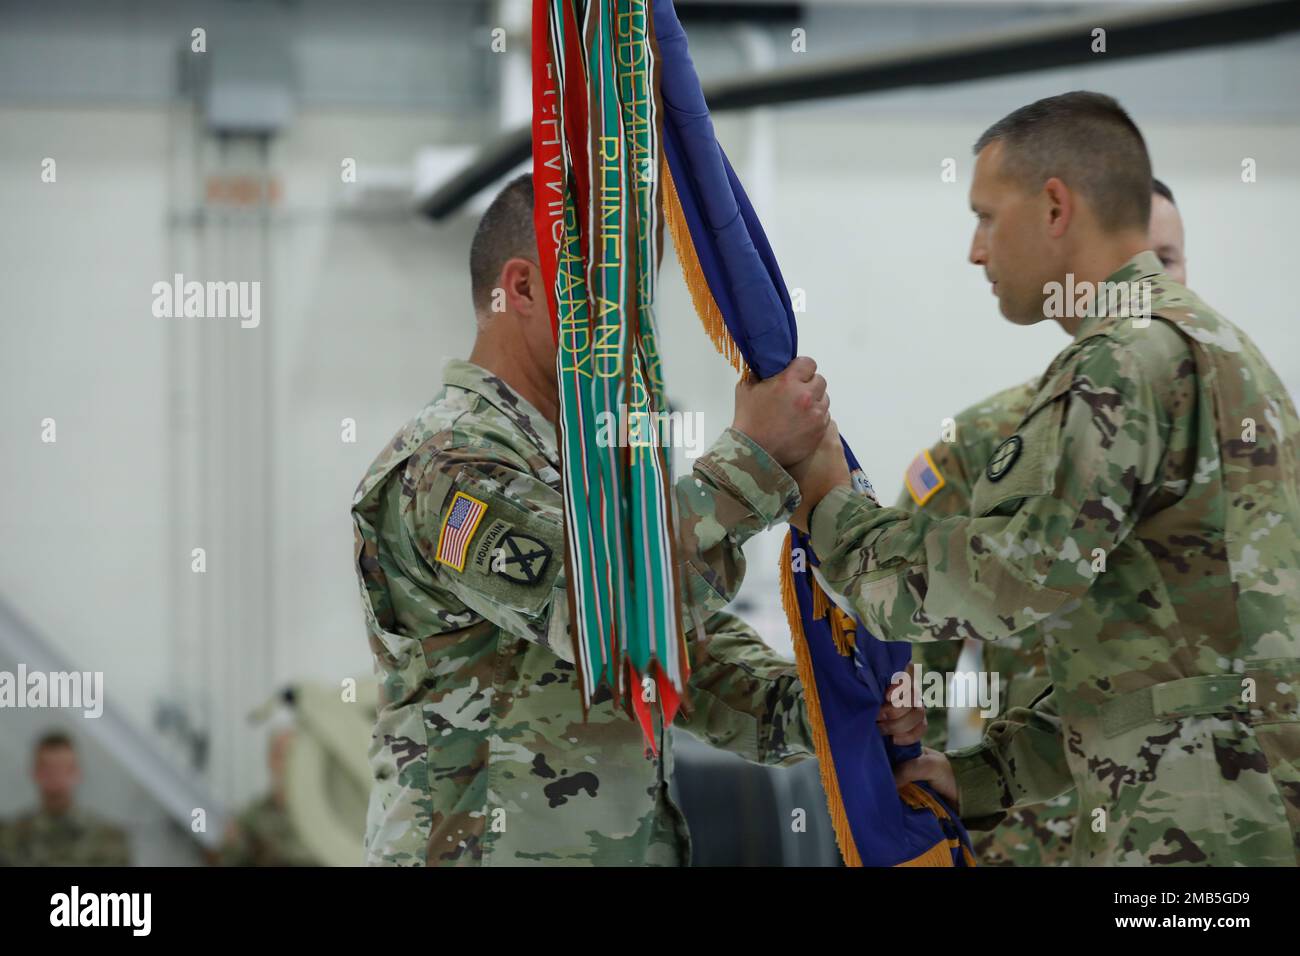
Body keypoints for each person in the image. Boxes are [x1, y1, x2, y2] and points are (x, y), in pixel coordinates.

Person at [792, 91, 1300, 866]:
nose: (975, 249)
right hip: (1230, 810)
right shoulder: (1223, 351)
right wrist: (988, 774)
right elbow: (1149, 661)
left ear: (1055, 207)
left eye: (987, 216)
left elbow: (1013, 579)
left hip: (1190, 833)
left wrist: (833, 513)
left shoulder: (1121, 360)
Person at [351, 173, 886, 866]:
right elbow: (601, 612)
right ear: (523, 289)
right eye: (614, 294)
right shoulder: (446, 463)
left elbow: (670, 649)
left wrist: (822, 712)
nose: (636, 328)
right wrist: (753, 460)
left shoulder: (587, 461)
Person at [901, 178, 1189, 866]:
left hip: (1199, 830)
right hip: (1035, 831)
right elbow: (912, 654)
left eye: (1169, 259)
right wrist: (925, 812)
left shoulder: (1242, 442)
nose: (1150, 278)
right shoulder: (987, 444)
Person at [0, 731, 131, 866]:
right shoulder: (9, 838)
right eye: (48, 769)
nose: (56, 777)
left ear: (77, 772)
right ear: (35, 772)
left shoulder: (108, 840)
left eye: (64, 769)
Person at [218, 729, 318, 867]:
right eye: (281, 756)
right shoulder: (253, 818)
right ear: (271, 760)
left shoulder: (319, 818)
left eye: (293, 756)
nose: (287, 765)